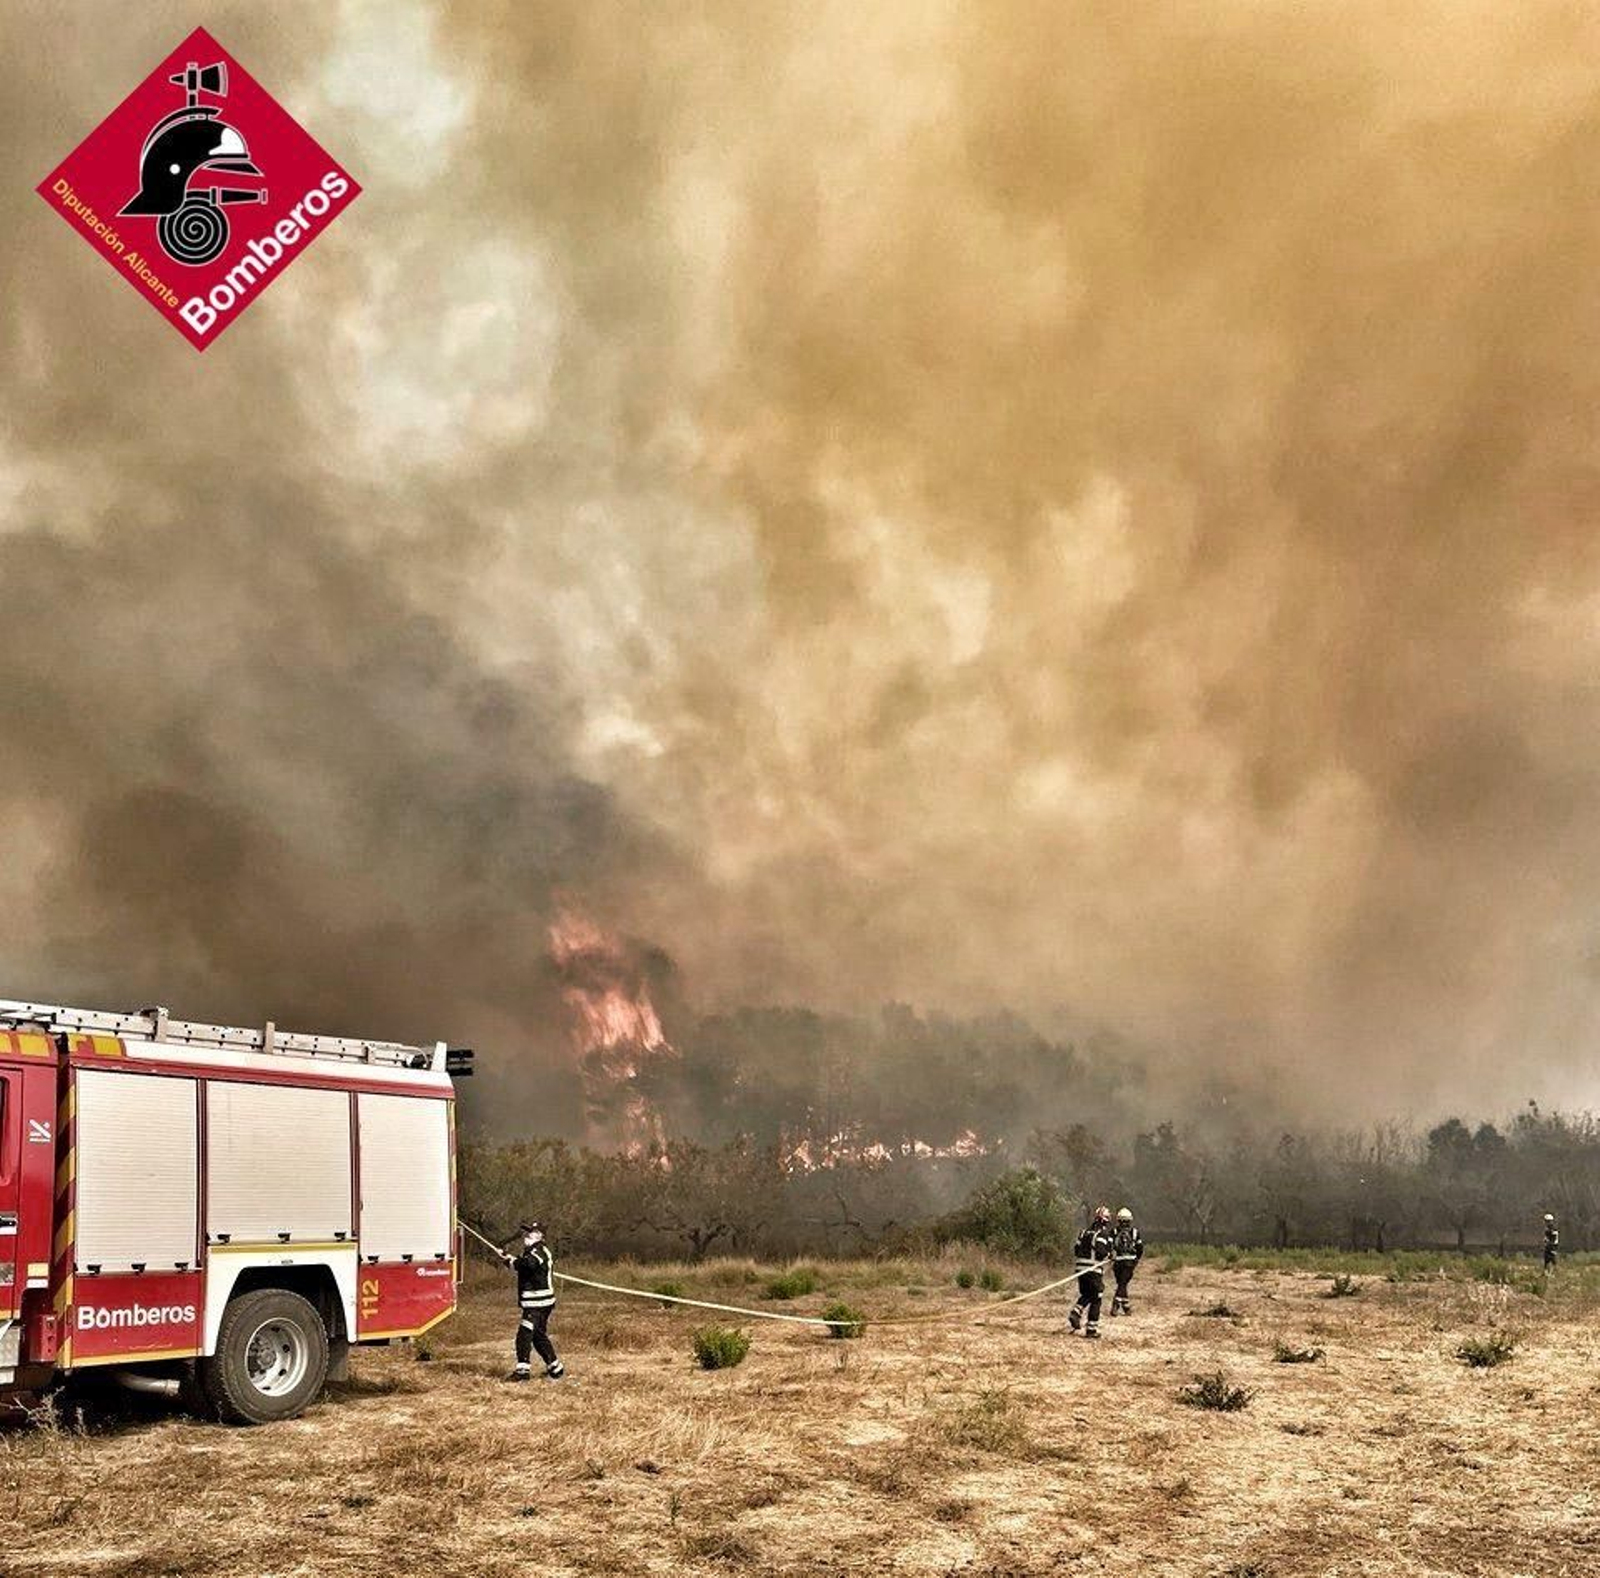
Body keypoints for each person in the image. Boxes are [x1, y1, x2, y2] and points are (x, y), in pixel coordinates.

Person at [500, 1219, 565, 1382]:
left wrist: (512, 1261)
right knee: (538, 1336)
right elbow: (521, 1265)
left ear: (540, 1236)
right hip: (537, 1302)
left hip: (539, 1303)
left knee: (524, 1334)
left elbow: (528, 1265)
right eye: (527, 1232)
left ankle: (522, 1371)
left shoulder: (539, 1252)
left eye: (531, 1233)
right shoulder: (531, 1251)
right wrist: (508, 1260)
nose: (527, 1236)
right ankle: (555, 1368)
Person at [1067, 1205, 1116, 1339]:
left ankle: (1076, 1312)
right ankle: (1091, 1330)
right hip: (1093, 1269)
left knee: (1087, 1294)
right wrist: (1109, 1255)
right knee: (1097, 1296)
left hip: (1080, 1269)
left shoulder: (1083, 1232)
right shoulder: (1103, 1234)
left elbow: (1077, 1250)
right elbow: (1101, 1252)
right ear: (1106, 1220)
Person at [1110, 1206, 1144, 1316]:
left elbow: (1109, 1246)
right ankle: (1116, 1304)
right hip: (1129, 1263)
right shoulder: (1135, 1232)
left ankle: (1126, 1307)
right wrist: (1137, 1258)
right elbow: (1140, 1247)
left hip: (1118, 1262)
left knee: (1121, 1283)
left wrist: (1111, 1256)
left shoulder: (1114, 1231)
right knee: (1122, 1284)